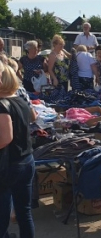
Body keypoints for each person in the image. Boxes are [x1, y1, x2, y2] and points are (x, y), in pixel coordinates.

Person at [0, 62, 35, 238]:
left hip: (9, 166)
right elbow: (31, 119)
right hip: (27, 160)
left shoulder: (2, 105)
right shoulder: (20, 101)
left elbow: (5, 139)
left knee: (2, 219)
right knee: (24, 213)